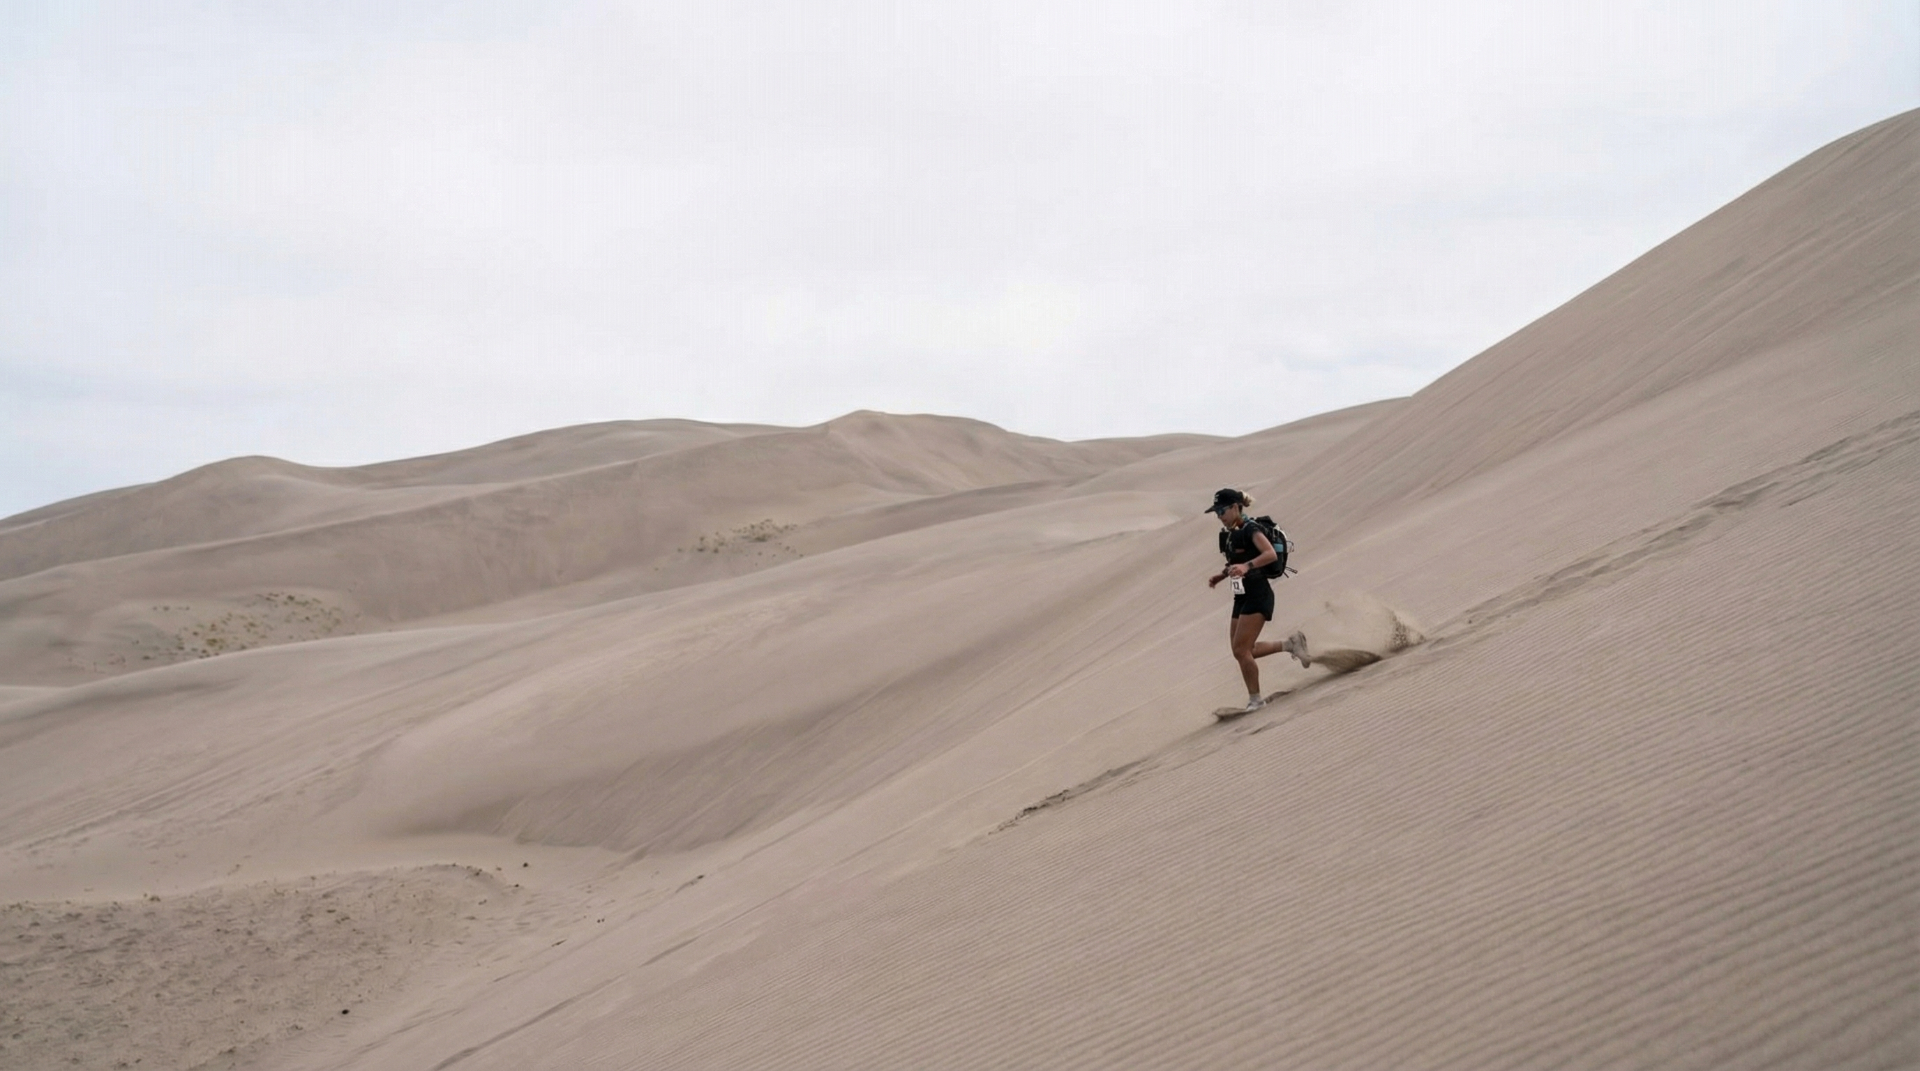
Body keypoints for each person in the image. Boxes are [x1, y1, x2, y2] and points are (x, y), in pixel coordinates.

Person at [1205, 488, 1309, 714]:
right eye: (1216, 512)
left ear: (1235, 507)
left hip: (1258, 593)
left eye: (1222, 510)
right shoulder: (1231, 533)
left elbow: (1269, 554)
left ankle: (1256, 700)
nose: (1219, 516)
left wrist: (1247, 567)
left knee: (1242, 650)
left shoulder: (1251, 529)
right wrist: (1222, 575)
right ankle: (1291, 644)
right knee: (1241, 649)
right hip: (1241, 595)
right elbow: (1237, 561)